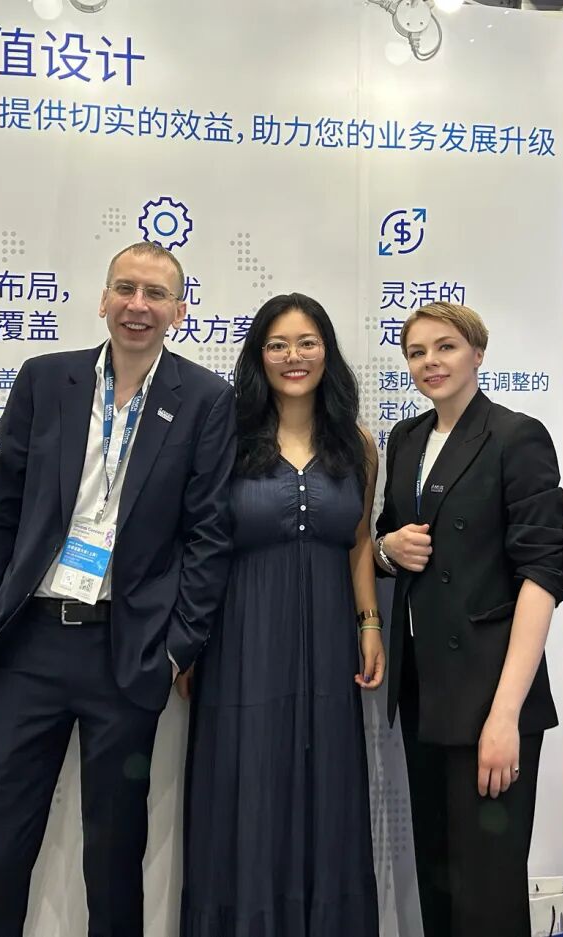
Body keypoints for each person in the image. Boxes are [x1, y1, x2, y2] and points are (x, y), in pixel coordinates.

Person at [0, 241, 236, 937]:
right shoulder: (46, 379)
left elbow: (208, 535)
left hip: (127, 652)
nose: (138, 305)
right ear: (104, 298)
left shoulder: (205, 399)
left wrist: (175, 650)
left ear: (179, 310)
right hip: (29, 646)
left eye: (156, 293)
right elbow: (2, 511)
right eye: (126, 288)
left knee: (114, 854)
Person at [181, 293, 383, 937]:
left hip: (328, 642)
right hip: (239, 643)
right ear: (258, 356)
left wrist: (369, 623)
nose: (293, 357)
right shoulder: (225, 438)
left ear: (327, 352)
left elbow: (358, 539)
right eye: (277, 344)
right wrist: (187, 641)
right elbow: (195, 542)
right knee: (246, 788)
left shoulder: (358, 444)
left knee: (328, 790)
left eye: (307, 342)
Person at [373, 302, 563, 937]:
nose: (430, 362)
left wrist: (505, 715)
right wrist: (387, 549)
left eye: (446, 347)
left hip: (491, 692)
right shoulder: (406, 439)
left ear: (477, 354)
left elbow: (543, 573)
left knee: (487, 893)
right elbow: (386, 541)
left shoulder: (516, 436)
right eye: (416, 352)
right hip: (423, 689)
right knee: (437, 883)